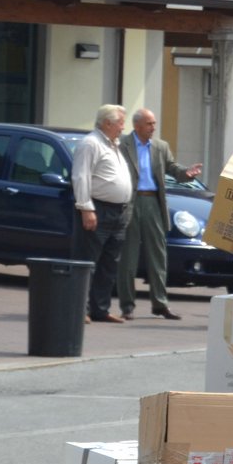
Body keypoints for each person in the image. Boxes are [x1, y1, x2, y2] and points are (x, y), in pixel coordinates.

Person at [117, 108, 202, 321]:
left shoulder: (160, 147)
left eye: (154, 123)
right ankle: (127, 306)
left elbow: (172, 168)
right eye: (149, 124)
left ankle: (160, 304)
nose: (153, 128)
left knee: (158, 255)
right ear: (137, 126)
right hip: (131, 202)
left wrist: (186, 174)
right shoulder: (122, 145)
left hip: (153, 202)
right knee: (128, 257)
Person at [71, 104, 134, 324]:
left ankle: (101, 308)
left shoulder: (114, 145)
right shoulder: (91, 143)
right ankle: (80, 309)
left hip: (118, 212)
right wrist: (86, 208)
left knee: (109, 264)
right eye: (120, 123)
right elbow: (81, 176)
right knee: (88, 261)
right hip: (98, 209)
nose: (122, 127)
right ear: (107, 123)